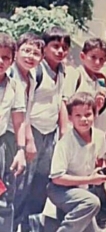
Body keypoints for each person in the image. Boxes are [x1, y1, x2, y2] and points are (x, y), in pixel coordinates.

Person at [18, 26, 70, 232]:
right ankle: (13, 225)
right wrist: (29, 140)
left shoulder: (62, 70)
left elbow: (60, 102)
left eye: (64, 47)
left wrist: (64, 131)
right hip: (33, 131)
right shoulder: (36, 70)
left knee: (41, 185)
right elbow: (24, 106)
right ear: (44, 47)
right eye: (55, 46)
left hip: (50, 134)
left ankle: (30, 226)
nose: (60, 51)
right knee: (23, 184)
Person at [47, 92, 106, 232]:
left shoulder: (100, 136)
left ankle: (49, 223)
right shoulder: (65, 143)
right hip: (60, 190)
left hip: (82, 190)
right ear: (70, 118)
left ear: (95, 114)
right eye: (78, 116)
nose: (83, 119)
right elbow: (57, 178)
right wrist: (89, 179)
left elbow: (99, 161)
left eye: (88, 114)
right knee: (91, 202)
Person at [6, 32, 45, 231]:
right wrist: (28, 141)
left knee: (19, 186)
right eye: (26, 50)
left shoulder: (32, 76)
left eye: (36, 53)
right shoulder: (10, 75)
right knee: (10, 187)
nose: (30, 56)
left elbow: (26, 112)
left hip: (18, 135)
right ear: (16, 53)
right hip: (8, 135)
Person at [0, 33, 26, 232]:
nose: (1, 61)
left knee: (3, 198)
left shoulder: (14, 86)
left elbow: (19, 121)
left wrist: (21, 151)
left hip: (2, 147)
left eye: (6, 57)